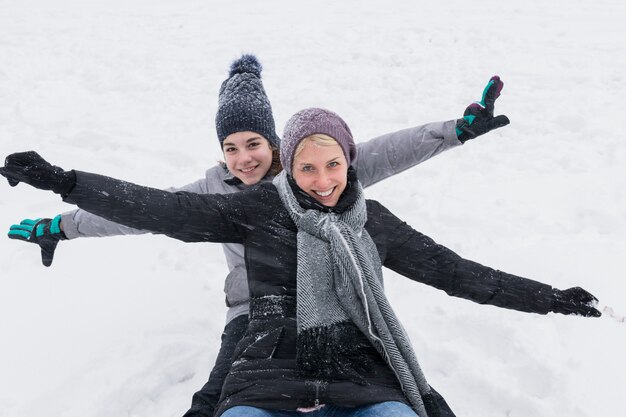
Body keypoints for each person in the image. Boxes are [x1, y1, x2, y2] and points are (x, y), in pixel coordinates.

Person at [1, 108, 601, 417]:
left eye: (332, 165)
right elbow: (159, 210)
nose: (320, 180)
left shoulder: (373, 220)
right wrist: (65, 184)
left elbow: (456, 272)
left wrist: (546, 296)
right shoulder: (249, 209)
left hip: (363, 367)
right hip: (263, 361)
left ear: (348, 164)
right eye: (308, 167)